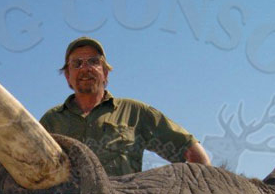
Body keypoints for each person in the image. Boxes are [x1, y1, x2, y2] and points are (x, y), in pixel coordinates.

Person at [40, 37, 211, 176]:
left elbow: (191, 151)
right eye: (77, 63)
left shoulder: (136, 113)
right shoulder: (51, 121)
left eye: (93, 61)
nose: (85, 68)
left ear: (105, 72)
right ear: (67, 75)